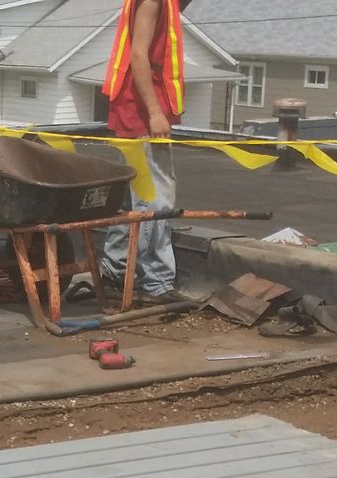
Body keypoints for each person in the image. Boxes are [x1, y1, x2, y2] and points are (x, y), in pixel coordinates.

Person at [99, 0, 192, 305]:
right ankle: (156, 282)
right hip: (141, 113)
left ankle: (115, 272)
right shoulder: (153, 1)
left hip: (135, 110)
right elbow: (138, 55)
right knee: (156, 198)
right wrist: (154, 112)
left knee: (132, 198)